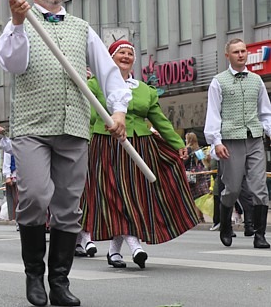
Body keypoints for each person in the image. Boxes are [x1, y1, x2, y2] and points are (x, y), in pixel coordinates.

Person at [0, 0, 130, 307]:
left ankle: (59, 282)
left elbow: (109, 72)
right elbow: (12, 63)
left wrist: (118, 110)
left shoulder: (81, 28)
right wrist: (16, 20)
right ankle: (33, 275)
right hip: (32, 128)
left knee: (68, 209)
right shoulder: (19, 25)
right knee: (37, 197)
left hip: (73, 129)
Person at [80, 40, 201, 270]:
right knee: (118, 195)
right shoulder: (96, 84)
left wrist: (177, 144)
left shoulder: (145, 90)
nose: (125, 56)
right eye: (120, 53)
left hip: (141, 147)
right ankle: (134, 244)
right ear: (110, 58)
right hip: (107, 145)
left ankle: (114, 250)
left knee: (134, 196)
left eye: (129, 54)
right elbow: (89, 117)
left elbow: (160, 120)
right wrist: (82, 145)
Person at [204, 38, 271, 249]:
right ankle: (225, 225)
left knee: (260, 188)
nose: (241, 54)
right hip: (231, 141)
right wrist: (216, 142)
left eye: (243, 51)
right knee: (232, 189)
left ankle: (260, 235)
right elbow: (213, 114)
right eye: (236, 52)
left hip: (254, 139)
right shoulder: (218, 81)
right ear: (228, 56)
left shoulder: (257, 80)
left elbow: (265, 112)